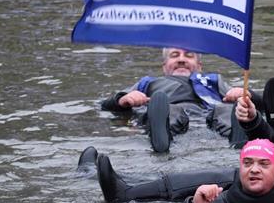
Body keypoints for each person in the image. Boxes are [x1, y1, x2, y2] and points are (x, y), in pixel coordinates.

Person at [88, 98, 274, 203]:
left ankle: (127, 193)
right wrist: (255, 121)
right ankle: (126, 184)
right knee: (241, 170)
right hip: (273, 187)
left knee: (237, 176)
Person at [100, 47, 262, 153]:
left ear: (199, 66)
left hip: (207, 113)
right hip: (166, 111)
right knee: (170, 109)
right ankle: (162, 138)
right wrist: (123, 99)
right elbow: (105, 105)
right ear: (165, 66)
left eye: (189, 55)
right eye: (175, 55)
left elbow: (246, 100)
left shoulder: (213, 81)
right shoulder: (148, 83)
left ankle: (237, 139)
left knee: (226, 109)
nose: (182, 59)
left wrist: (243, 93)